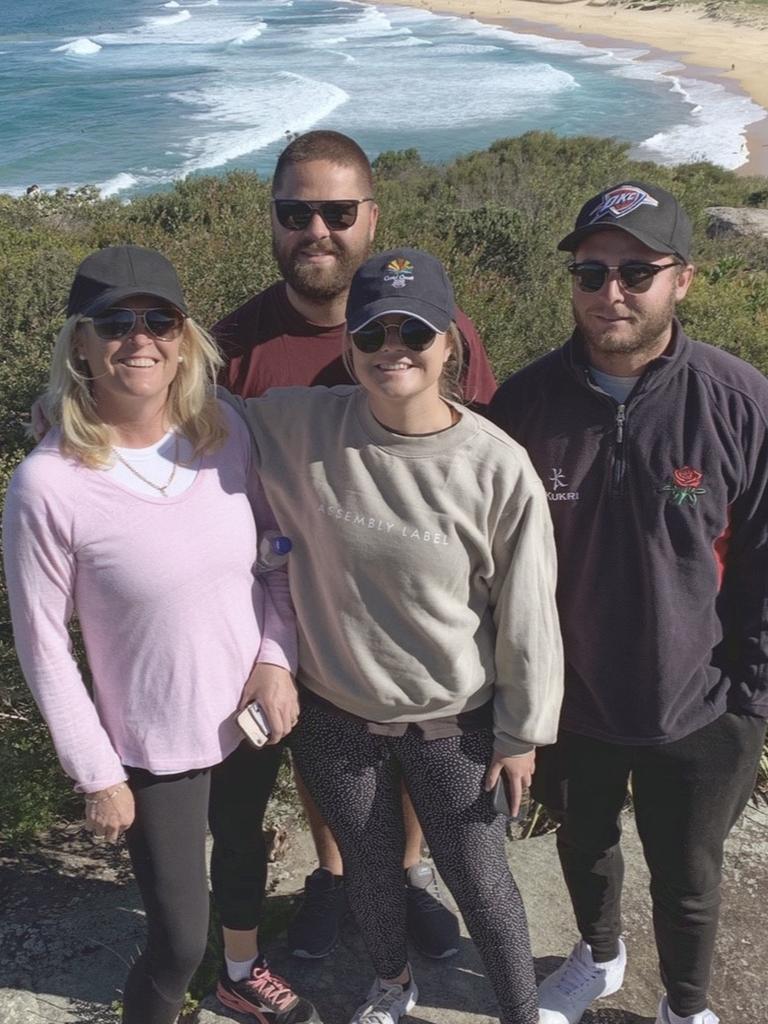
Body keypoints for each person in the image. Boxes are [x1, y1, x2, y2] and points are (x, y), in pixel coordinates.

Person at [221, 246, 564, 1024]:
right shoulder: (301, 423)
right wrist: (76, 413)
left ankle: (518, 1009)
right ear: (349, 348)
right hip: (337, 714)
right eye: (372, 336)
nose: (392, 351)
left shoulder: (495, 466)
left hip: (455, 723)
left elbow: (528, 612)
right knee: (368, 872)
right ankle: (389, 985)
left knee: (481, 881)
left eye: (414, 332)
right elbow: (194, 412)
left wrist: (522, 734)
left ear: (451, 343)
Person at [2, 246, 320, 1024]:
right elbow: (43, 642)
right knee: (176, 939)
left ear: (183, 339)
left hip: (248, 710)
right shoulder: (48, 483)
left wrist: (277, 662)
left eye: (158, 320)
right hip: (151, 745)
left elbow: (275, 559)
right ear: (80, 342)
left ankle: (241, 974)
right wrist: (95, 772)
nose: (138, 338)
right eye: (114, 321)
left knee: (243, 856)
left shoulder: (227, 434)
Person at [488, 182, 768, 1024]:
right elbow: (494, 564)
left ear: (682, 279)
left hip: (702, 706)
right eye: (590, 272)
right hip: (573, 703)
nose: (611, 291)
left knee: (689, 875)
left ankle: (686, 1006)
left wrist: (750, 702)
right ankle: (599, 957)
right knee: (585, 844)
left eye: (636, 271)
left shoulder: (740, 402)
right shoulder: (526, 406)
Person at [215, 129, 497, 962]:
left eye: (338, 211)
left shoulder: (441, 327)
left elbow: (477, 452)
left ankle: (407, 875)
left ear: (372, 218)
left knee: (412, 741)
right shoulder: (236, 349)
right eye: (295, 211)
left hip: (418, 599)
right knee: (323, 753)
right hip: (296, 607)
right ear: (272, 221)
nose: (317, 230)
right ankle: (337, 877)